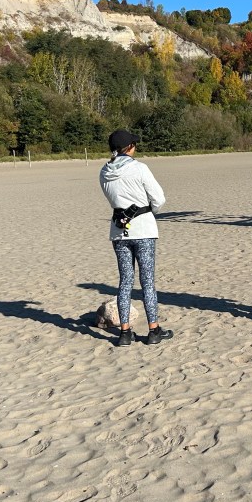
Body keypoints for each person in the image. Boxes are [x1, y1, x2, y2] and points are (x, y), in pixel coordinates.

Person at [100, 129, 174, 346]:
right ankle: (154, 330)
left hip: (119, 231)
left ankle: (124, 333)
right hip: (143, 230)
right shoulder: (140, 168)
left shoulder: (104, 172)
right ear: (130, 147)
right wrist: (151, 210)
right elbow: (159, 199)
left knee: (125, 281)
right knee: (147, 281)